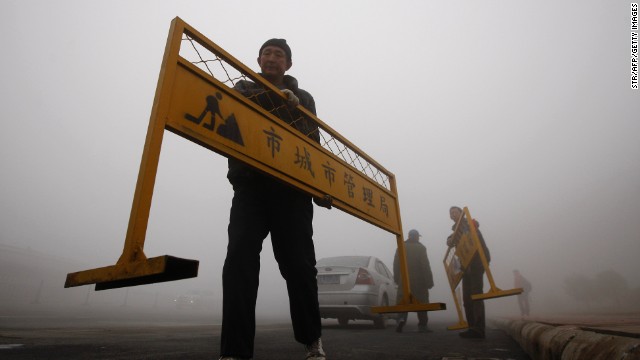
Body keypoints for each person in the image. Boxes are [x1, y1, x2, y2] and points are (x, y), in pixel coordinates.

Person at [220, 39, 330, 360]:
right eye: (267, 53)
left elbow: (313, 139)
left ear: (288, 65)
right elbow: (235, 105)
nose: (272, 58)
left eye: (278, 55)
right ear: (258, 59)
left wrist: (321, 188)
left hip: (292, 192)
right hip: (250, 186)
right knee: (239, 261)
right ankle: (234, 352)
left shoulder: (304, 97)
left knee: (299, 267)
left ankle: (312, 341)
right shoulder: (243, 85)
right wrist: (277, 99)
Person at [447, 206, 491, 339]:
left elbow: (475, 236)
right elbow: (449, 241)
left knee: (476, 295)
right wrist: (449, 240)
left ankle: (479, 328)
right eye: (451, 213)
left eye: (456, 212)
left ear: (461, 214)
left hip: (476, 263)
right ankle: (471, 327)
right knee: (467, 298)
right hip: (465, 266)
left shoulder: (469, 224)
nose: (453, 214)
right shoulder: (455, 230)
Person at [393, 229, 434, 333]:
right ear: (417, 237)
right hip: (419, 280)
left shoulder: (401, 247)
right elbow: (425, 265)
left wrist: (397, 278)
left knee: (403, 301)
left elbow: (396, 264)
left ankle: (401, 320)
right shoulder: (421, 248)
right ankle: (422, 325)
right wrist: (429, 281)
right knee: (422, 302)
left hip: (404, 280)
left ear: (409, 236)